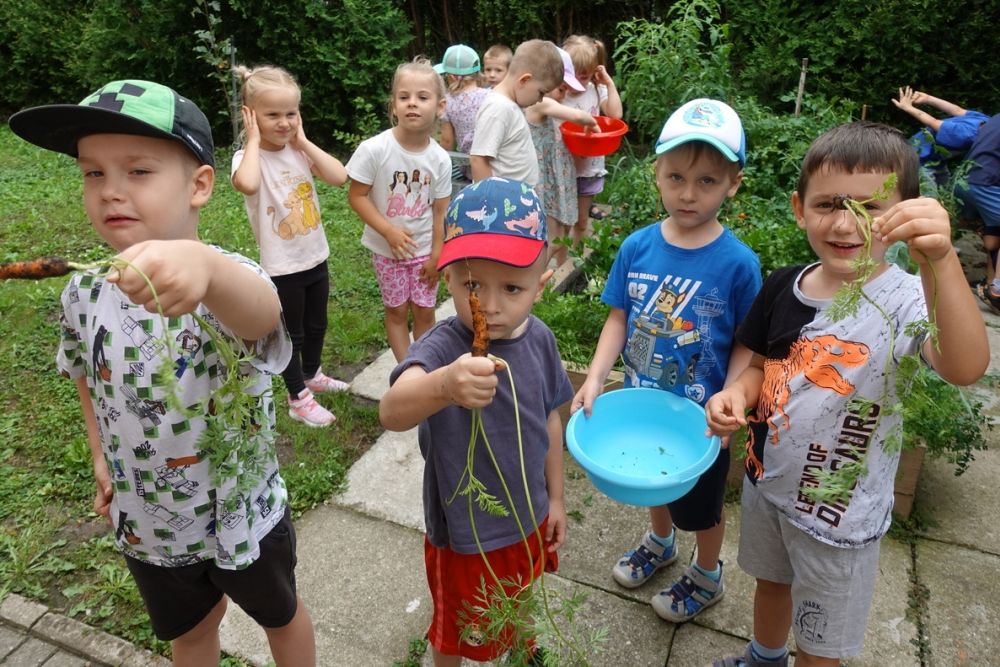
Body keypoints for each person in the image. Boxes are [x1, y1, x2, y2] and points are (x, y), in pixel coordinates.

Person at [9, 80, 316, 666]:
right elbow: (84, 373)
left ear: (199, 185)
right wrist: (100, 454)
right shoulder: (83, 291)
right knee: (191, 634)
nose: (110, 192)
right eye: (93, 173)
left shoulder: (228, 279)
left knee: (282, 615)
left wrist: (205, 268)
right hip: (150, 523)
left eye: (138, 171)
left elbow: (262, 316)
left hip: (242, 513)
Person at [705, 121, 989, 667]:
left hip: (840, 518)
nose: (845, 223)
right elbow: (761, 366)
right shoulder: (782, 285)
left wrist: (940, 260)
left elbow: (965, 365)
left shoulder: (907, 300)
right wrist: (736, 395)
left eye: (871, 207)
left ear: (906, 212)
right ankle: (765, 657)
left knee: (821, 641)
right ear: (799, 207)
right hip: (770, 486)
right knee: (770, 584)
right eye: (828, 203)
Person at [570, 98, 761, 623]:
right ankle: (660, 541)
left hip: (703, 420)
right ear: (656, 173)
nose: (688, 193)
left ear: (733, 184)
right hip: (641, 401)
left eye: (707, 181)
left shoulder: (740, 264)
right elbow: (617, 319)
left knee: (702, 508)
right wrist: (594, 379)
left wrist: (731, 399)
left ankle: (707, 575)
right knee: (655, 479)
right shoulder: (636, 247)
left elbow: (747, 343)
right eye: (676, 176)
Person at [379, 177, 573, 666]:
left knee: (520, 602)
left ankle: (519, 649)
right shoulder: (443, 348)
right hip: (465, 534)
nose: (488, 303)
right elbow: (392, 410)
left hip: (527, 515)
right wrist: (444, 386)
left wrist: (556, 498)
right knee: (455, 633)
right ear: (447, 280)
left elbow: (550, 419)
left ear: (541, 281)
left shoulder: (541, 341)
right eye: (472, 285)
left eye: (511, 287)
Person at [230, 64, 349, 429]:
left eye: (291, 114)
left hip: (315, 255)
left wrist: (304, 141)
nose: (283, 122)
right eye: (272, 115)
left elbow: (339, 176)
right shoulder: (248, 159)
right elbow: (248, 184)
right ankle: (298, 396)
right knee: (291, 334)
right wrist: (251, 141)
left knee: (317, 324)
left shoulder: (298, 151)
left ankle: (312, 373)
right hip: (283, 266)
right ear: (250, 116)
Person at [347, 57, 452, 361]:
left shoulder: (440, 159)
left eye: (422, 97)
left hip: (423, 253)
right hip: (386, 250)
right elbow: (356, 196)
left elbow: (440, 212)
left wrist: (437, 255)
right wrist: (388, 231)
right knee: (395, 311)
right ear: (393, 105)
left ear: (440, 106)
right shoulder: (374, 149)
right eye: (404, 97)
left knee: (424, 312)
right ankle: (407, 370)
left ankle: (424, 365)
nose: (412, 104)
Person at [525, 47, 598, 267]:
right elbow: (576, 115)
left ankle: (559, 269)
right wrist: (592, 122)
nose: (564, 95)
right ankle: (534, 274)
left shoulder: (549, 103)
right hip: (546, 177)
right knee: (554, 234)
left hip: (558, 172)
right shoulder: (540, 103)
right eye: (561, 89)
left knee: (562, 229)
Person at [469, 39, 564, 186]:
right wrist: (489, 203)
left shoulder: (510, 104)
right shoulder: (498, 108)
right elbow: (479, 159)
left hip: (516, 199)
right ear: (524, 80)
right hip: (501, 202)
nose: (540, 100)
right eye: (541, 92)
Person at [561, 34, 623, 247]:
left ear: (594, 73)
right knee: (562, 224)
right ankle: (560, 265)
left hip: (589, 169)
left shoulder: (597, 90)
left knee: (581, 221)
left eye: (584, 77)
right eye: (573, 76)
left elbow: (615, 115)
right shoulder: (559, 92)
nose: (577, 84)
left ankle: (575, 261)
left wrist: (609, 83)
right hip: (563, 167)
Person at [892, 86, 989, 191]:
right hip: (919, 160)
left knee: (947, 195)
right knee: (929, 198)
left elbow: (955, 111)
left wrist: (927, 99)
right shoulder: (966, 134)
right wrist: (913, 105)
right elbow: (937, 120)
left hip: (937, 162)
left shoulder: (986, 122)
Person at [955, 113, 1000, 311]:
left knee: (993, 239)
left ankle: (991, 286)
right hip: (985, 183)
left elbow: (957, 111)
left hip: (964, 180)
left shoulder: (995, 118)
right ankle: (997, 290)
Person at [435, 44, 490, 185]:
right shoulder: (490, 95)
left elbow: (447, 142)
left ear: (452, 77)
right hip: (496, 164)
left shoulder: (447, 102)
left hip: (470, 168)